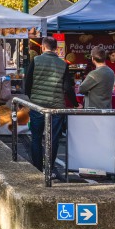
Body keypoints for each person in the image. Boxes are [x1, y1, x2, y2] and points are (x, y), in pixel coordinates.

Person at [23, 37, 75, 171]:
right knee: (53, 139)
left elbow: (27, 83)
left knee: (36, 137)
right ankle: (50, 167)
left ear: (42, 47)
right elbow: (68, 88)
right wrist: (75, 103)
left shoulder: (35, 60)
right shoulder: (63, 64)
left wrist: (32, 97)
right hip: (56, 107)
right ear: (56, 48)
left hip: (38, 105)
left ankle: (37, 167)